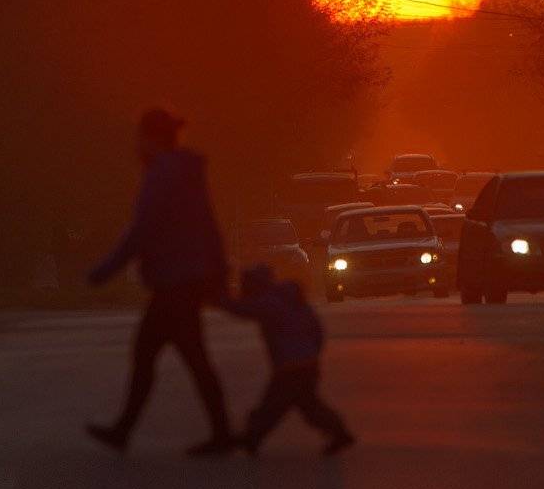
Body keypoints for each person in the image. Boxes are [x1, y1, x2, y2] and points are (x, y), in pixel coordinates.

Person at [85, 108, 235, 457]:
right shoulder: (187, 172)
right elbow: (208, 224)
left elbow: (142, 229)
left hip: (174, 282)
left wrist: (104, 270)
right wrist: (219, 269)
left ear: (151, 138)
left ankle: (128, 430)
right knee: (172, 355)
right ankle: (216, 432)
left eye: (140, 136)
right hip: (188, 280)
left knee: (163, 355)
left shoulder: (161, 174)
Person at [222, 264, 355, 456]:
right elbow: (316, 329)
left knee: (274, 404)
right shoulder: (293, 300)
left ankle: (252, 437)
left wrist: (217, 298)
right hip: (306, 363)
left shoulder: (268, 302)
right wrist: (312, 353)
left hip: (290, 367)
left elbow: (241, 309)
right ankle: (339, 432)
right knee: (307, 404)